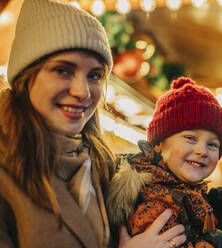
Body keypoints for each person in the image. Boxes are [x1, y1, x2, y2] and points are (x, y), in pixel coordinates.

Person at [0, 0, 185, 247]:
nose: (83, 91)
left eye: (95, 75)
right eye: (63, 70)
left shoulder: (102, 166)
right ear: (25, 76)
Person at [106, 77, 222, 247]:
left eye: (212, 145)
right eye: (190, 138)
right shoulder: (150, 196)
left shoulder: (190, 194)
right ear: (159, 144)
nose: (202, 151)